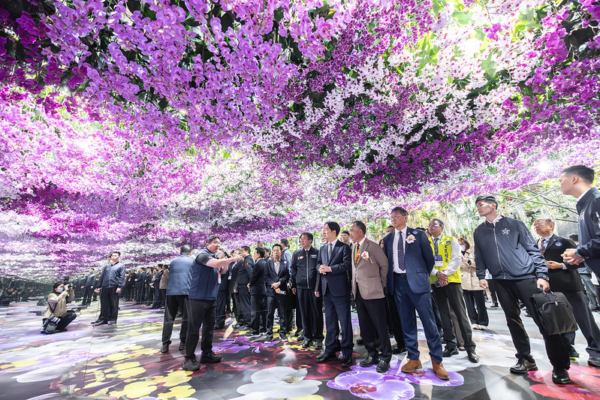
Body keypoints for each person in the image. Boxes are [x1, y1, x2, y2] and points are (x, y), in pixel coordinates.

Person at [474, 195, 571, 384]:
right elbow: (479, 254)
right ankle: (525, 358)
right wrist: (481, 275)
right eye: (476, 205)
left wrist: (542, 275)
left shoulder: (515, 224)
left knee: (543, 319)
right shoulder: (479, 231)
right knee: (512, 320)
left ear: (493, 205)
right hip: (500, 280)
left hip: (525, 277)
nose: (478, 207)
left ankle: (559, 366)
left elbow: (533, 250)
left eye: (481, 204)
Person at [383, 207, 449, 380]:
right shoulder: (388, 239)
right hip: (398, 284)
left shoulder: (418, 235)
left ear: (405, 217)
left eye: (396, 216)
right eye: (391, 217)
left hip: (418, 284)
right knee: (406, 323)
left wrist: (419, 276)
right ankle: (413, 358)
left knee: (429, 323)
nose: (393, 219)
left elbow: (429, 260)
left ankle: (437, 361)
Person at [533, 218, 600, 367]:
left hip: (569, 286)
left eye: (539, 223)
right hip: (548, 288)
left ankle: (596, 351)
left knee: (584, 319)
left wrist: (561, 266)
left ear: (551, 225)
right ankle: (568, 348)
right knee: (559, 321)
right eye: (534, 224)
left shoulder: (564, 242)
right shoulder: (534, 245)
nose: (535, 226)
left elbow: (581, 261)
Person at [183, 235, 242, 371]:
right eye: (215, 243)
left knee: (209, 328)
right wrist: (232, 258)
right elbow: (215, 264)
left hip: (211, 297)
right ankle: (189, 358)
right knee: (194, 329)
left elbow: (222, 270)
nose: (218, 245)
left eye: (219, 243)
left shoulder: (216, 258)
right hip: (198, 298)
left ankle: (207, 353)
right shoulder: (202, 256)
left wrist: (224, 260)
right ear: (207, 244)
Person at [427, 219, 479, 363]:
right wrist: (437, 274)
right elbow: (426, 261)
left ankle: (470, 347)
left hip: (452, 280)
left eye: (434, 225)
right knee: (444, 314)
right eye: (429, 226)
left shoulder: (451, 240)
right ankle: (450, 345)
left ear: (442, 227)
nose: (431, 227)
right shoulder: (426, 243)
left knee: (460, 314)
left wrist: (445, 273)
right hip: (435, 281)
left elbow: (456, 258)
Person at [350, 221, 392, 373]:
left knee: (380, 326)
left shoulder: (372, 246)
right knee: (365, 326)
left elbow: (384, 265)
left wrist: (380, 284)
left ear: (360, 231)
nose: (350, 233)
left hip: (374, 292)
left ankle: (385, 356)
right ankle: (371, 353)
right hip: (359, 292)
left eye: (352, 230)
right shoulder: (354, 247)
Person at [316, 221, 353, 367]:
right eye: (323, 229)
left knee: (345, 323)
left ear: (334, 232)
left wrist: (330, 268)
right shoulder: (323, 248)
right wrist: (321, 268)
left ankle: (347, 352)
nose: (323, 232)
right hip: (327, 290)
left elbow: (347, 265)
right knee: (330, 323)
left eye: (326, 229)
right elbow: (318, 263)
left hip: (340, 290)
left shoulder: (343, 247)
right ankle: (330, 350)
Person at [561, 166, 600, 278]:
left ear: (574, 179)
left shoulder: (596, 200)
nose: (560, 184)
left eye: (561, 180)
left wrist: (579, 251)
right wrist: (582, 255)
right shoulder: (585, 204)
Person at [290, 232, 323, 349]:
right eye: (300, 239)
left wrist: (318, 287)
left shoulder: (318, 253)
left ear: (310, 240)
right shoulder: (297, 253)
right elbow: (293, 269)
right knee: (304, 313)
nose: (301, 241)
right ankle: (307, 337)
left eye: (304, 239)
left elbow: (320, 271)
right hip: (301, 288)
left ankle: (318, 338)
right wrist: (293, 283)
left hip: (314, 288)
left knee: (316, 313)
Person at [161, 246, 194, 353]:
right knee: (186, 318)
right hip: (185, 291)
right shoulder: (192, 261)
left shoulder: (173, 262)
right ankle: (183, 342)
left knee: (168, 319)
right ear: (190, 252)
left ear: (180, 252)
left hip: (171, 292)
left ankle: (165, 344)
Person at [459, 238, 489, 330]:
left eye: (462, 244)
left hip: (475, 280)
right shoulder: (456, 254)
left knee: (480, 303)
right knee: (469, 304)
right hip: (464, 281)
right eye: (459, 244)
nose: (461, 246)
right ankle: (473, 321)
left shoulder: (473, 252)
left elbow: (479, 265)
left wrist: (467, 261)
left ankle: (483, 322)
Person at [264, 244, 290, 341]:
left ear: (281, 251)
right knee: (270, 313)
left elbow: (287, 276)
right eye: (274, 250)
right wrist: (274, 286)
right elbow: (266, 277)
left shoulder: (285, 262)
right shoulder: (269, 263)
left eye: (277, 250)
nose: (275, 252)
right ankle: (269, 333)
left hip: (282, 291)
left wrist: (279, 283)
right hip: (271, 291)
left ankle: (282, 332)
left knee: (282, 313)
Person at [92, 252, 126, 326]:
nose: (113, 257)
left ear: (119, 257)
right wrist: (98, 286)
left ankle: (112, 319)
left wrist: (119, 286)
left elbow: (122, 277)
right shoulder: (106, 266)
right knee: (104, 303)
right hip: (105, 286)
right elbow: (101, 277)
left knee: (113, 304)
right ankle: (103, 318)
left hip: (114, 287)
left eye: (115, 255)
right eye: (112, 255)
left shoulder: (121, 266)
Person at [247, 247, 268, 338]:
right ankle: (263, 328)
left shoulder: (258, 264)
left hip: (256, 291)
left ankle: (255, 330)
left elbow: (253, 277)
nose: (253, 255)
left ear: (259, 254)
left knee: (255, 311)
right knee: (263, 311)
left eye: (255, 253)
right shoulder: (266, 263)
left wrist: (249, 284)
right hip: (264, 290)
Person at [215, 250, 236, 330]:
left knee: (220, 306)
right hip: (218, 287)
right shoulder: (220, 262)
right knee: (218, 305)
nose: (218, 254)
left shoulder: (225, 263)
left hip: (222, 287)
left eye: (219, 253)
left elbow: (223, 272)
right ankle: (217, 321)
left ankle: (219, 322)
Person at [233, 246, 253, 329]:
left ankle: (248, 323)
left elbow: (250, 273)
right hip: (242, 286)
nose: (240, 252)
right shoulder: (245, 260)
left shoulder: (247, 260)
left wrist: (250, 284)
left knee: (246, 306)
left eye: (242, 251)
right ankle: (245, 322)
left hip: (245, 286)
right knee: (243, 306)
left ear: (247, 251)